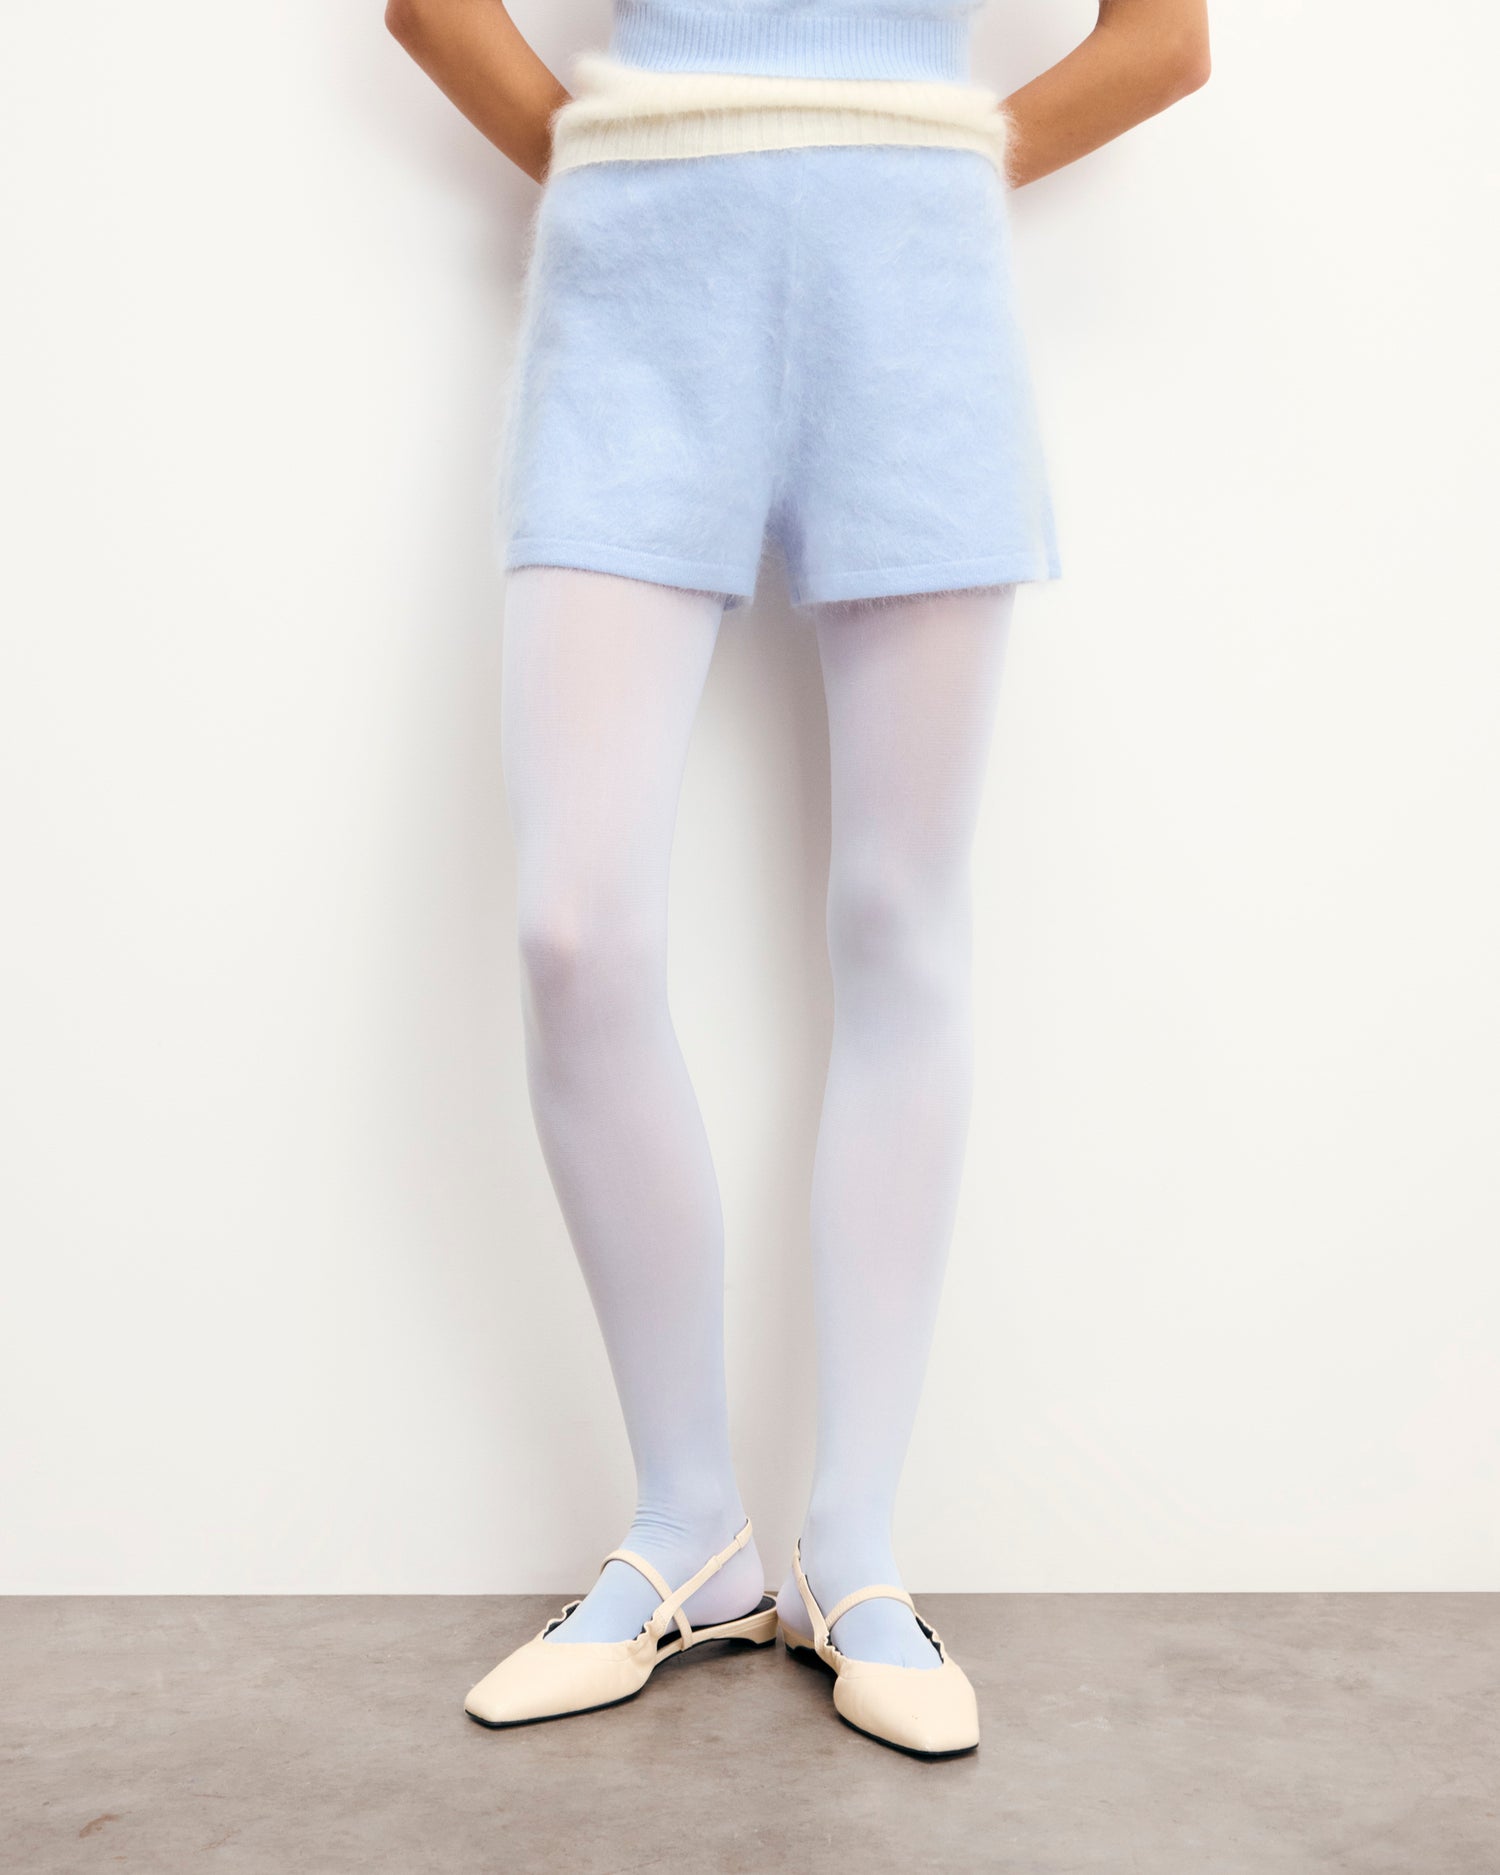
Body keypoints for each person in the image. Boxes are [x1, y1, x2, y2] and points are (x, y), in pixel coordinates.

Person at [385, 0, 1209, 1758]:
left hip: (912, 281)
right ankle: (690, 1529)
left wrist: (900, 159)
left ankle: (857, 1550)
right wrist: (627, 160)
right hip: (638, 283)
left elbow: (1166, 40)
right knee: (574, 927)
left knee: (900, 918)